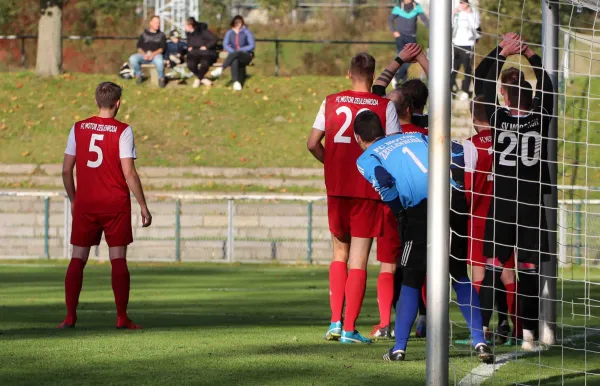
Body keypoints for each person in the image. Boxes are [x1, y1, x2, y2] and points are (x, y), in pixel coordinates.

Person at [354, 110, 493, 363]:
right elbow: (457, 151)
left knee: (411, 277)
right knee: (459, 273)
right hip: (453, 202)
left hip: (420, 209)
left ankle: (399, 348)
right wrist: (458, 187)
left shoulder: (367, 156)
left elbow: (384, 180)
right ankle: (480, 341)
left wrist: (399, 214)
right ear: (383, 130)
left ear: (357, 138)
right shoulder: (417, 137)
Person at [307, 52, 400, 344]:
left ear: (349, 74)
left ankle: (334, 322)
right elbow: (393, 150)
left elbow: (312, 143)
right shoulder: (385, 106)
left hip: (337, 189)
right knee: (359, 259)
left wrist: (332, 165)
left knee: (339, 254)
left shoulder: (331, 100)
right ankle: (349, 328)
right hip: (367, 190)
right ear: (373, 77)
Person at [477, 33, 554, 350]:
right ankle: (529, 336)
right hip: (531, 205)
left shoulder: (498, 118)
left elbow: (481, 81)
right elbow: (548, 85)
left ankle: (479, 334)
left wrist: (502, 52)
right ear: (531, 96)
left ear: (505, 98)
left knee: (493, 267)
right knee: (529, 272)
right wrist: (529, 53)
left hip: (503, 204)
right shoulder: (541, 115)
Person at [59, 82, 152, 330]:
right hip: (115, 203)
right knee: (118, 258)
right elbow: (129, 173)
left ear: (96, 101)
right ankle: (122, 317)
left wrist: (74, 199)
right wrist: (143, 205)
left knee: (78, 258)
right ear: (118, 103)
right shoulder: (123, 130)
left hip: (86, 203)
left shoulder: (78, 128)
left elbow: (67, 169)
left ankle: (70, 317)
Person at [463, 95, 516, 344]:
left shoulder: (471, 145)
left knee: (478, 272)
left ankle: (480, 330)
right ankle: (516, 327)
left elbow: (468, 188)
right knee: (507, 272)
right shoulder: (508, 140)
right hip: (506, 215)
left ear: (473, 118)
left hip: (479, 218)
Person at [388, 0, 429, 87]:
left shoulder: (417, 6)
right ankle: (402, 83)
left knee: (411, 58)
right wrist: (394, 31)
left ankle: (397, 76)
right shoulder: (398, 6)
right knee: (402, 58)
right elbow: (390, 19)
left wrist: (433, 28)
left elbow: (424, 19)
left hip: (411, 37)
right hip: (401, 37)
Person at [211, 15, 255, 91]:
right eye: (235, 24)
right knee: (235, 59)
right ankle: (236, 82)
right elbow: (225, 44)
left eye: (239, 24)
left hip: (246, 55)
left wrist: (240, 49)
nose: (237, 26)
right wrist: (233, 51)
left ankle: (221, 68)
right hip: (234, 55)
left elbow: (252, 45)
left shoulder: (247, 32)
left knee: (236, 53)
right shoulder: (230, 33)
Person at [450, 0, 481, 100]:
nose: (461, 5)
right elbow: (451, 24)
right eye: (460, 2)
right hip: (456, 44)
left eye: (463, 2)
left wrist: (469, 14)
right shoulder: (457, 13)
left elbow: (476, 27)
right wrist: (453, 14)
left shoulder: (474, 13)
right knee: (453, 68)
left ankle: (465, 90)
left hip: (468, 45)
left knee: (467, 69)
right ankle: (451, 89)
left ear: (467, 3)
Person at [129, 15, 168, 88]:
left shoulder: (161, 35)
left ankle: (161, 79)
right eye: (156, 23)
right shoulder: (143, 34)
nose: (158, 24)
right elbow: (139, 47)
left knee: (160, 61)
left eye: (159, 23)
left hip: (156, 56)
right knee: (132, 58)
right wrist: (144, 55)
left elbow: (162, 49)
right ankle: (139, 76)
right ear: (150, 23)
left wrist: (153, 54)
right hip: (144, 56)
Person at [185, 18, 219, 88]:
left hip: (206, 53)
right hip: (195, 53)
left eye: (185, 25)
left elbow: (214, 39)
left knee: (204, 63)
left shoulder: (203, 31)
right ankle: (203, 79)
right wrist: (189, 47)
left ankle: (198, 79)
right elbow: (190, 43)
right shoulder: (189, 34)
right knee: (190, 64)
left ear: (190, 26)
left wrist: (207, 46)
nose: (184, 27)